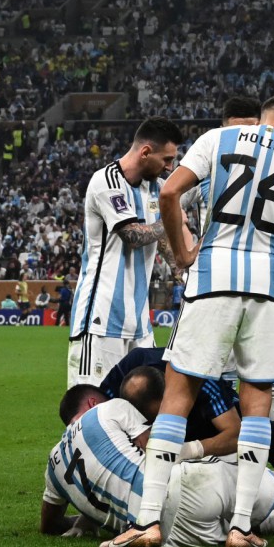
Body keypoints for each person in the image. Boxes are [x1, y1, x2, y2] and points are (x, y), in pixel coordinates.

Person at [109, 95, 274, 547]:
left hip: (211, 281)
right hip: (265, 290)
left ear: (261, 120)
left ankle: (147, 521)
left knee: (178, 395)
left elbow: (169, 193)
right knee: (257, 404)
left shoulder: (217, 138)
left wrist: (185, 253)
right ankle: (241, 527)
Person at [41, 390, 274, 547]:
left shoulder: (53, 465)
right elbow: (156, 448)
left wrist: (88, 518)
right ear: (91, 403)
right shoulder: (108, 410)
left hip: (167, 536)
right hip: (179, 488)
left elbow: (50, 524)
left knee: (244, 517)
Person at [68, 117, 185, 387]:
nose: (170, 166)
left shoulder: (157, 189)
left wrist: (183, 271)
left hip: (140, 322)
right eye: (166, 159)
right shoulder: (106, 181)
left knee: (143, 407)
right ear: (145, 152)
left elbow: (165, 241)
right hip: (101, 319)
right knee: (90, 406)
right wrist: (170, 220)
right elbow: (132, 235)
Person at [109, 357, 274, 480]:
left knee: (270, 433)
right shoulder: (128, 367)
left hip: (209, 422)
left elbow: (234, 435)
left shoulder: (199, 379)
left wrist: (189, 450)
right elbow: (89, 407)